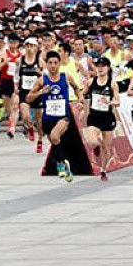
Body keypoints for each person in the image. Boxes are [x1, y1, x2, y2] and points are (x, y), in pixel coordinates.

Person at [26, 51, 84, 182]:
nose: (53, 65)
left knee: (55, 136)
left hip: (63, 116)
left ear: (59, 64)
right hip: (47, 118)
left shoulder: (66, 76)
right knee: (56, 143)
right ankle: (63, 163)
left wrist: (80, 100)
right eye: (50, 63)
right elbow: (28, 98)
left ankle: (61, 164)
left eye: (55, 63)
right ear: (46, 64)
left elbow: (77, 88)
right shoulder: (42, 80)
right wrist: (41, 92)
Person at [81, 57, 119, 181]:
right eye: (98, 66)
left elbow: (118, 102)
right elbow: (82, 94)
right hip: (94, 116)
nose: (100, 68)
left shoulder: (112, 84)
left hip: (107, 117)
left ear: (108, 68)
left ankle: (103, 170)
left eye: (103, 66)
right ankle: (98, 145)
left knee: (107, 150)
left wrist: (109, 102)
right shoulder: (90, 82)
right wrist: (81, 104)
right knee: (92, 141)